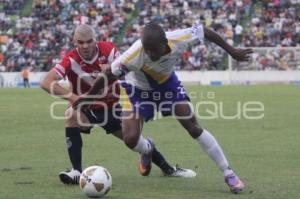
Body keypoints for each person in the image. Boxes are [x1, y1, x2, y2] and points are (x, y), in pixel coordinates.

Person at [77, 22, 253, 193]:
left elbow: (205, 31)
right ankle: (147, 148)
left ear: (165, 43)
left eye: (154, 50)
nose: (150, 54)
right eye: (147, 50)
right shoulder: (133, 55)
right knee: (130, 139)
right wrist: (90, 96)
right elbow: (107, 74)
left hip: (167, 85)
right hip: (138, 91)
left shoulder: (178, 38)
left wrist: (232, 51)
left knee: (193, 127)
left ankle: (228, 172)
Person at [41, 24, 196, 185]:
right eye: (81, 42)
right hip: (86, 109)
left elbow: (127, 70)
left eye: (89, 41)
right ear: (75, 42)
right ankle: (77, 172)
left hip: (111, 108)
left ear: (96, 40)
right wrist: (74, 98)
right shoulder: (71, 59)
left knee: (135, 142)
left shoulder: (108, 50)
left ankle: (168, 168)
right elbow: (46, 82)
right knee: (71, 115)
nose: (85, 46)